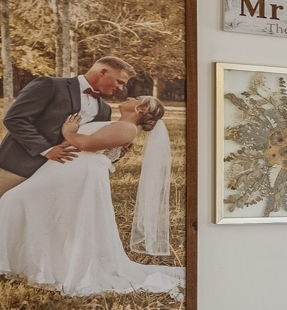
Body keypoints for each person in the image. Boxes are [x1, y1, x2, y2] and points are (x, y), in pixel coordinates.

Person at [0, 96, 183, 297]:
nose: (130, 97)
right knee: (34, 209)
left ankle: (28, 263)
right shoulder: (119, 125)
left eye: (137, 98)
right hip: (66, 169)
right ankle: (32, 262)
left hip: (74, 172)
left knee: (14, 201)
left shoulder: (127, 128)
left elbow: (85, 144)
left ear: (141, 108)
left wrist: (68, 132)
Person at [0, 56, 134, 198]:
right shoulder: (50, 85)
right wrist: (47, 150)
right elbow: (15, 119)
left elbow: (91, 147)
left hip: (59, 176)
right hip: (18, 166)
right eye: (119, 82)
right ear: (103, 72)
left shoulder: (105, 110)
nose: (121, 88)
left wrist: (117, 150)